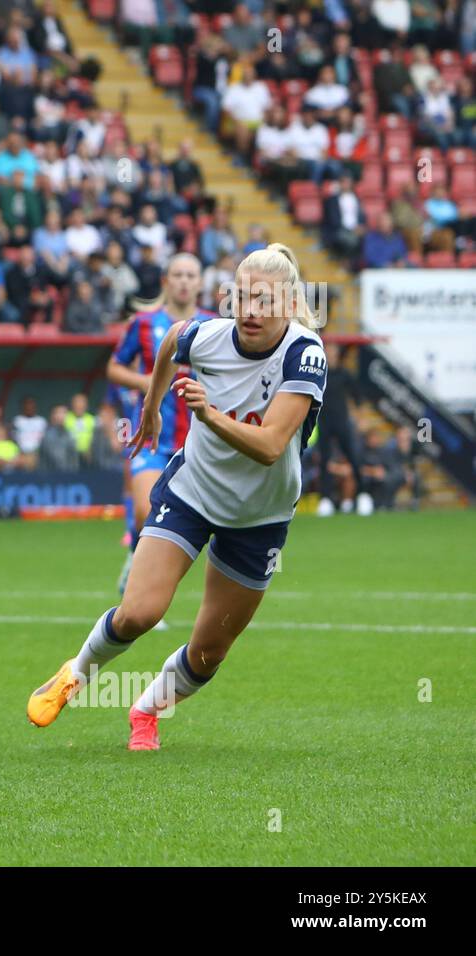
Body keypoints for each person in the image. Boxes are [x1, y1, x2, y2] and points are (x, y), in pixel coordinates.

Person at [28, 243, 329, 751]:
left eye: (266, 301)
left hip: (261, 516)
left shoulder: (304, 355)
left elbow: (272, 446)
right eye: (244, 298)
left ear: (288, 302)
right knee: (139, 613)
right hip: (192, 492)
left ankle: (145, 711)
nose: (252, 311)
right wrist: (153, 407)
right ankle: (74, 675)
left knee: (211, 651)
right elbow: (171, 340)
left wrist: (209, 415)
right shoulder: (208, 336)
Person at [105, 253, 212, 613]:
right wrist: (151, 383)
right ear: (166, 280)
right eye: (178, 274)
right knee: (145, 511)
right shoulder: (145, 324)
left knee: (190, 522)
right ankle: (139, 592)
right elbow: (114, 369)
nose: (184, 281)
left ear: (200, 283)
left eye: (191, 275)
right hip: (151, 435)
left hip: (197, 439)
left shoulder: (214, 325)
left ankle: (142, 586)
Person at [314, 343, 373, 516]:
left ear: (338, 355)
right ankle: (325, 500)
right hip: (323, 422)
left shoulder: (344, 374)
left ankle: (362, 495)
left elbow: (358, 398)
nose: (330, 355)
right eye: (328, 352)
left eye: (333, 352)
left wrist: (361, 419)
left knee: (353, 458)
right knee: (324, 461)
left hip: (342, 422)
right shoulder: (319, 374)